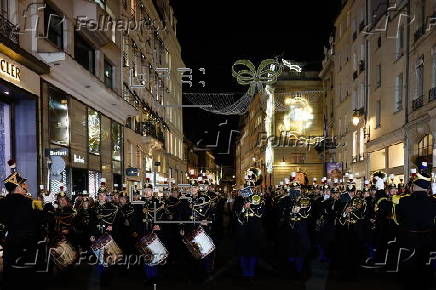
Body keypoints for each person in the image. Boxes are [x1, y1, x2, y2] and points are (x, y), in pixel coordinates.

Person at [0, 161, 43, 289]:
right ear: (18, 188)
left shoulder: (2, 203)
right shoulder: (28, 202)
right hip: (27, 244)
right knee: (25, 276)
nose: (26, 186)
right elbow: (40, 219)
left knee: (10, 275)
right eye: (24, 184)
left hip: (10, 242)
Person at [396, 171, 436, 289]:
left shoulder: (404, 200)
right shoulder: (433, 201)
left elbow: (399, 219)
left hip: (410, 238)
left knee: (410, 264)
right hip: (428, 238)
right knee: (424, 263)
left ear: (415, 187)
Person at [233, 168, 265, 281]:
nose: (250, 188)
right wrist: (243, 207)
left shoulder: (259, 197)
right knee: (242, 249)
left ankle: (251, 271)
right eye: (248, 185)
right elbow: (235, 212)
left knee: (253, 249)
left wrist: (251, 206)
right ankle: (243, 270)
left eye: (252, 185)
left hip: (254, 227)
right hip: (242, 228)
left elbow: (261, 212)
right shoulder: (239, 198)